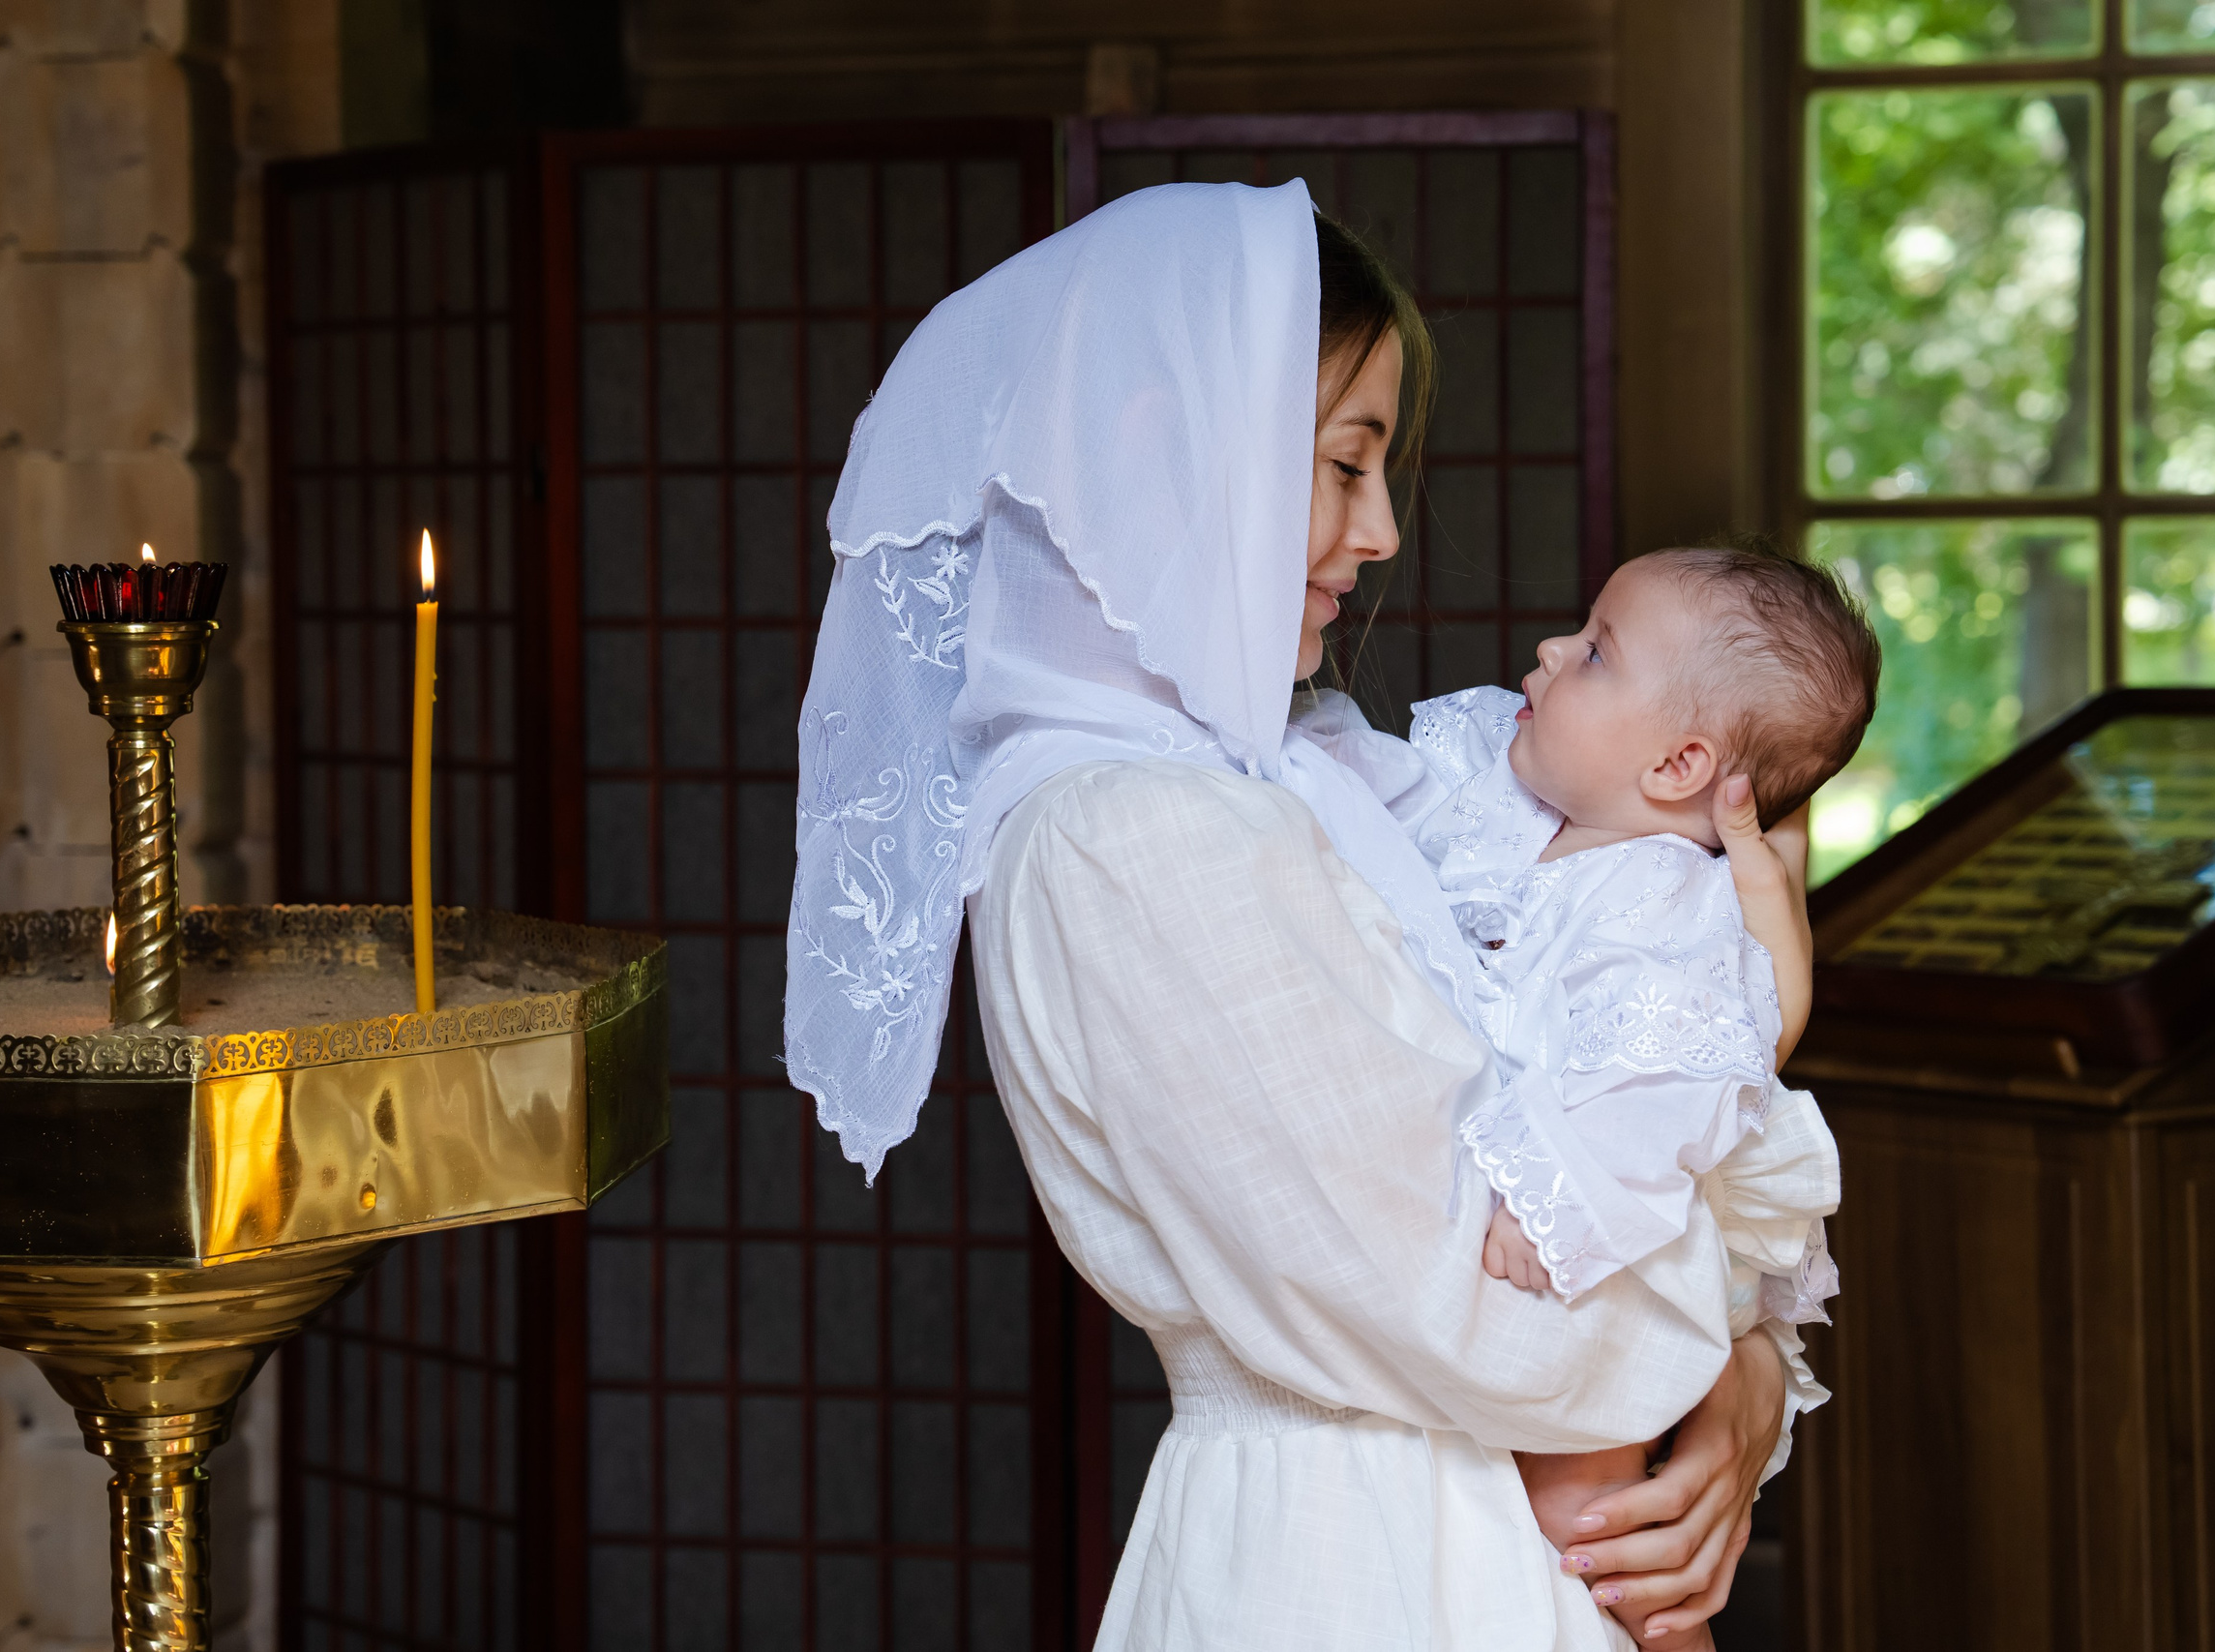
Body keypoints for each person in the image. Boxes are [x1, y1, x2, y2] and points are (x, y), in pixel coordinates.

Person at [786, 180, 1828, 1648]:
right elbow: (1447, 1297)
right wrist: (1726, 1350)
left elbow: (1579, 1105)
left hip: (1456, 1531)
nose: (1383, 527)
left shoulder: (1294, 781)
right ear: (1170, 449)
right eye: (1346, 464)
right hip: (1363, 1561)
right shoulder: (1131, 838)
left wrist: (1746, 1349)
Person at [1299, 543, 1878, 1647]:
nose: (1552, 649)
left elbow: (1661, 1089)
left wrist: (1546, 1196)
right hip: (1512, 1239)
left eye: (1597, 650)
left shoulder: (1672, 905)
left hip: (1607, 1239)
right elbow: (1372, 786)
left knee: (1592, 1519)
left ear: (1678, 765)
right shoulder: (1498, 791)